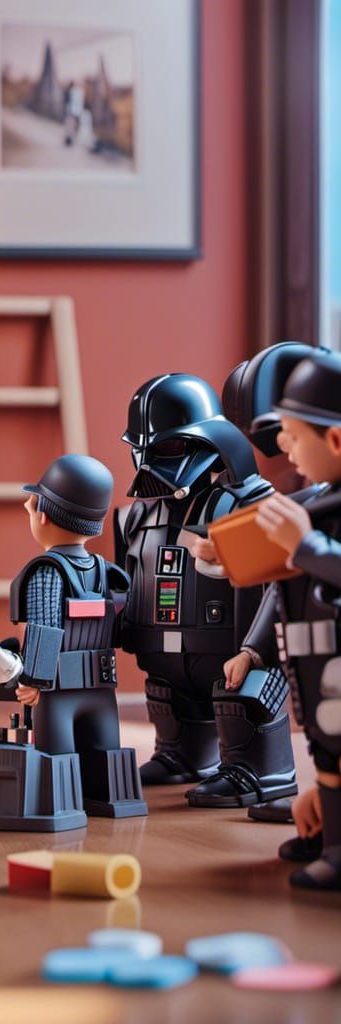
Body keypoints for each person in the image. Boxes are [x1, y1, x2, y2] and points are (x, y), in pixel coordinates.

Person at [115, 374, 296, 808]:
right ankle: (181, 754)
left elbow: (276, 588)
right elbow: (126, 580)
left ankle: (257, 768)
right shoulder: (136, 517)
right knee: (166, 686)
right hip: (168, 649)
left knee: (242, 690)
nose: (152, 462)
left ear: (211, 441)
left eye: (169, 447)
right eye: (145, 448)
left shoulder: (249, 505)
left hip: (232, 649)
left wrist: (256, 649)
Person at [225, 350, 341, 889]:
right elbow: (280, 581)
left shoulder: (315, 524)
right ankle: (329, 834)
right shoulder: (318, 507)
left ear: (334, 440)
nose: (284, 449)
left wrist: (307, 546)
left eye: (292, 436)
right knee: (327, 749)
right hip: (317, 663)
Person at [13, 454, 146, 819]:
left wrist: (33, 679)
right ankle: (115, 801)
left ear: (43, 516)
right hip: (101, 686)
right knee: (106, 753)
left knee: (56, 757)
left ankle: (60, 809)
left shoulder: (46, 572)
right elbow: (126, 626)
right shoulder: (109, 574)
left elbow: (44, 627)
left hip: (56, 689)